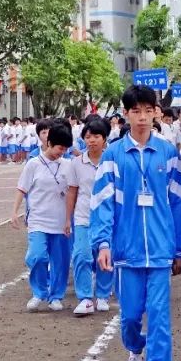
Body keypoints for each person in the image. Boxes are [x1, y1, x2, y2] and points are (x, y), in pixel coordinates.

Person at [91, 85, 181, 361]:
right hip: (127, 251)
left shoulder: (168, 154)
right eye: (136, 111)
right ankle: (135, 351)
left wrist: (180, 248)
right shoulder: (113, 155)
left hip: (161, 251)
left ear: (156, 113)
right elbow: (103, 203)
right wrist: (103, 243)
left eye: (149, 111)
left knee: (160, 318)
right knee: (132, 316)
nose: (143, 117)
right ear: (126, 114)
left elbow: (180, 202)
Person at [12, 121, 74, 312]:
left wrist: (69, 219)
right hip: (38, 219)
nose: (61, 152)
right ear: (49, 143)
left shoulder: (68, 165)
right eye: (59, 147)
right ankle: (39, 292)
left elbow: (73, 192)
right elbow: (22, 188)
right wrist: (14, 211)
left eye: (65, 149)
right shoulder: (33, 164)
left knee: (61, 261)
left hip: (61, 221)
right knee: (36, 256)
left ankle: (56, 295)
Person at [65, 117, 114, 316]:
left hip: (106, 219)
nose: (91, 140)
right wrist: (68, 219)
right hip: (84, 217)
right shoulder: (76, 163)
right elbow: (72, 192)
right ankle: (85, 297)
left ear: (104, 139)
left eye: (96, 136)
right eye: (88, 136)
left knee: (104, 256)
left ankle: (102, 294)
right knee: (82, 255)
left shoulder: (111, 161)